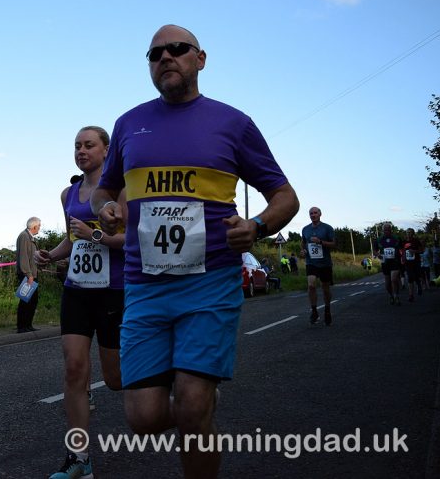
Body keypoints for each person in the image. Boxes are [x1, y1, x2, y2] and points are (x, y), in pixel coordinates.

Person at [90, 24, 299, 478]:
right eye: (154, 53)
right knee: (143, 419)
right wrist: (106, 207)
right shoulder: (129, 123)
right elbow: (103, 190)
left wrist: (258, 226)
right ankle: (198, 401)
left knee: (190, 407)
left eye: (177, 49)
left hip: (211, 282)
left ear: (200, 59)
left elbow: (285, 197)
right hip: (145, 286)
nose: (165, 57)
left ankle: (196, 401)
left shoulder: (233, 123)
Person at [35, 126, 125, 479]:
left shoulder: (120, 191)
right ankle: (79, 459)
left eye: (89, 145)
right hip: (76, 289)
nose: (82, 150)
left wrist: (97, 235)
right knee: (74, 369)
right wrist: (50, 255)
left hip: (112, 290)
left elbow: (130, 240)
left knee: (115, 379)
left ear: (106, 150)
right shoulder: (68, 193)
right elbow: (73, 240)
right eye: (77, 146)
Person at [300, 207, 336, 325]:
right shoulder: (305, 229)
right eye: (311, 213)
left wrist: (320, 242)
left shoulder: (327, 228)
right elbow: (303, 243)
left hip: (325, 263)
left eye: (315, 213)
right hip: (311, 263)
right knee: (311, 285)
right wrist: (303, 251)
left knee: (325, 288)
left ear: (320, 214)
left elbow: (334, 244)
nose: (313, 215)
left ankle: (327, 309)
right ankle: (314, 311)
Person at [15, 217, 41, 333]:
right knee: (26, 300)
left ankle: (28, 325)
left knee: (33, 300)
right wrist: (29, 274)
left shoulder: (30, 237)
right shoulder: (24, 236)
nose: (40, 228)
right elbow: (23, 257)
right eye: (39, 226)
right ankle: (22, 326)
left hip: (32, 274)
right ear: (34, 226)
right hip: (27, 275)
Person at [376, 223, 403, 305]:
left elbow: (402, 249)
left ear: (391, 230)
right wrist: (378, 255)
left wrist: (403, 257)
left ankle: (396, 295)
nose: (387, 231)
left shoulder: (396, 238)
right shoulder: (379, 239)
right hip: (385, 263)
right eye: (385, 230)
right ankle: (391, 295)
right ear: (383, 230)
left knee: (394, 279)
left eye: (388, 229)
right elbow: (375, 250)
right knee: (387, 283)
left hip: (395, 261)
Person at [401, 228, 423, 302]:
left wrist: (414, 251)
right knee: (410, 277)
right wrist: (402, 258)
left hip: (416, 261)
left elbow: (421, 250)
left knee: (416, 276)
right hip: (408, 263)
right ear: (406, 233)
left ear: (413, 233)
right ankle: (411, 295)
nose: (408, 234)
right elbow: (402, 251)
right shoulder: (403, 242)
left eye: (410, 232)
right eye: (407, 232)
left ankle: (419, 285)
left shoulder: (416, 241)